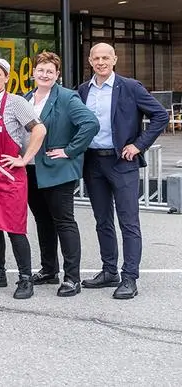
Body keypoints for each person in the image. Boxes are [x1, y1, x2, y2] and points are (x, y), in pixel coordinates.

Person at [77, 43, 168, 300]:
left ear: (114, 59)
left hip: (122, 162)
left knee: (129, 223)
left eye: (106, 57)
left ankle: (129, 277)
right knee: (102, 221)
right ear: (90, 60)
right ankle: (109, 272)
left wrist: (139, 145)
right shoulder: (83, 90)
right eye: (96, 58)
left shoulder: (130, 87)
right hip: (93, 162)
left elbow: (160, 115)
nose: (101, 62)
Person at [24, 51, 98, 297]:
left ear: (57, 75)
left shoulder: (67, 98)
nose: (44, 74)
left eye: (49, 71)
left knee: (64, 222)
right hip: (31, 169)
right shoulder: (25, 99)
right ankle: (48, 270)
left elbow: (90, 124)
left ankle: (72, 277)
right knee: (42, 221)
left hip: (57, 171)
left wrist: (70, 150)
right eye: (40, 70)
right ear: (33, 72)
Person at [0, 58, 46, 300]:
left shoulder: (16, 103)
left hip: (8, 174)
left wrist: (24, 160)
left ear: (6, 78)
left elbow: (39, 129)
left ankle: (25, 278)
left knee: (14, 227)